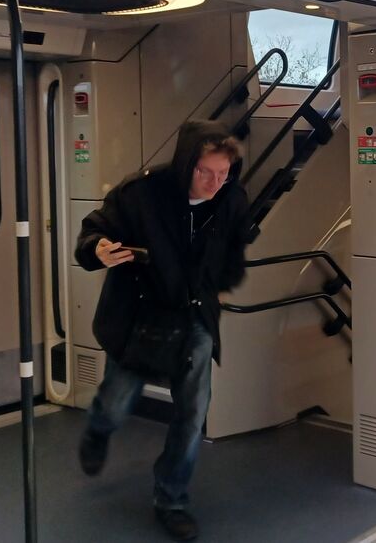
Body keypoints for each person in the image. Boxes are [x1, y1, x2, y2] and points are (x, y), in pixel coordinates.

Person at [74, 120, 248, 541]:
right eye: (206, 172)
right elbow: (92, 231)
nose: (215, 182)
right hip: (140, 318)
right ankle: (98, 430)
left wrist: (221, 287)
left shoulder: (232, 200)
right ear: (186, 163)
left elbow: (232, 252)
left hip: (195, 319)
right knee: (116, 404)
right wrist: (97, 249)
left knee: (192, 414)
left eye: (223, 174)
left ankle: (171, 498)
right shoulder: (140, 195)